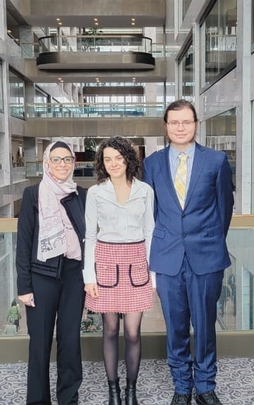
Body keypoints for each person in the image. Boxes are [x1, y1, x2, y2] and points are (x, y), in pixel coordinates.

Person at [143, 100, 234, 405]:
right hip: (168, 258)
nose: (180, 128)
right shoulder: (152, 164)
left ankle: (205, 386)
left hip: (206, 257)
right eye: (174, 122)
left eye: (186, 122)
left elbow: (225, 209)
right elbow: (151, 212)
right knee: (176, 326)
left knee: (206, 325)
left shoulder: (216, 161)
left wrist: (208, 241)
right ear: (166, 126)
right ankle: (182, 386)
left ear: (196, 124)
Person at [83, 137, 155, 405]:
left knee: (134, 332)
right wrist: (88, 277)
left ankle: (131, 390)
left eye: (118, 157)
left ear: (128, 159)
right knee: (110, 329)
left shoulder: (145, 191)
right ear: (102, 163)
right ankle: (113, 391)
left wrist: (153, 275)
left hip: (137, 260)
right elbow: (90, 235)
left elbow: (150, 232)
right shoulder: (96, 193)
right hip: (106, 260)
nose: (113, 163)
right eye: (107, 159)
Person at [16, 141, 87, 405]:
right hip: (41, 276)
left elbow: (88, 237)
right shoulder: (32, 194)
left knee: (70, 341)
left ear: (73, 163)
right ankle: (38, 401)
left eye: (67, 159)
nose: (62, 165)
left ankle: (68, 398)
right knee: (40, 344)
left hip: (73, 276)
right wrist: (24, 286)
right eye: (56, 160)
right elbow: (23, 242)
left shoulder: (82, 195)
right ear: (47, 163)